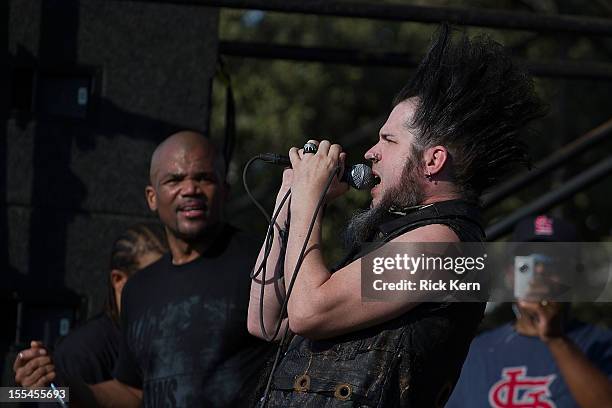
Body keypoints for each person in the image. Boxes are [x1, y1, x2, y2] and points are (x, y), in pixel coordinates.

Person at [248, 25, 544, 407]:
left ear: (433, 160)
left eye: (388, 140)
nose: (371, 152)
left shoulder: (442, 245)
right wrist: (287, 207)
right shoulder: (393, 237)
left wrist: (308, 201)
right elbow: (265, 322)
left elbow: (308, 312)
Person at [15, 131, 271, 407]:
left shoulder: (261, 260)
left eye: (203, 178)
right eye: (174, 179)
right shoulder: (138, 289)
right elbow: (132, 392)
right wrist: (61, 385)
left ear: (225, 190)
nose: (190, 189)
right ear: (152, 197)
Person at [446, 215, 612, 408]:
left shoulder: (602, 344)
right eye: (527, 263)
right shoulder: (474, 353)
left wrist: (556, 339)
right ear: (510, 274)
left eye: (553, 262)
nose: (539, 271)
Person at [13, 222, 167, 387]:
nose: (167, 292)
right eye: (154, 281)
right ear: (119, 280)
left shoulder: (164, 341)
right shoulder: (79, 354)